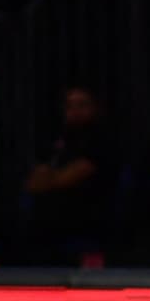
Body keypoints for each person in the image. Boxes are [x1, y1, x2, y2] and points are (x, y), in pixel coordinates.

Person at [25, 86, 114, 265]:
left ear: (95, 107)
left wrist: (52, 178)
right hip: (51, 212)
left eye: (82, 105)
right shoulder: (60, 138)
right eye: (70, 106)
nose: (75, 111)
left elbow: (65, 179)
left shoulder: (100, 140)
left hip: (88, 212)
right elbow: (32, 184)